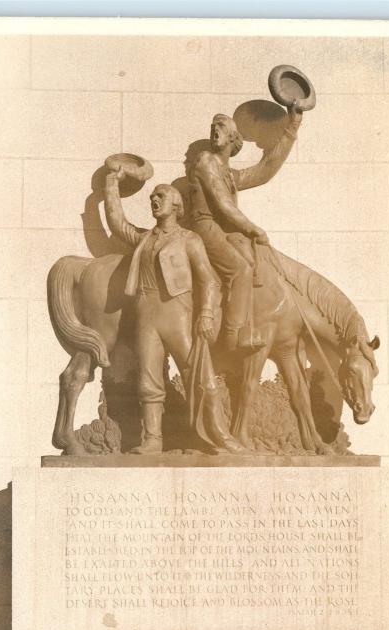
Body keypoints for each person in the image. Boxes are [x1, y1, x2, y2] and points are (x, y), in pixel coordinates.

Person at [103, 170, 245, 455]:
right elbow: (118, 224)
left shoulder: (189, 239)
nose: (154, 199)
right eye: (152, 197)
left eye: (161, 196)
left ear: (177, 206)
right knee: (148, 377)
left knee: (199, 372)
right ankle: (152, 439)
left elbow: (208, 279)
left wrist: (205, 313)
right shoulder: (144, 239)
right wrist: (111, 185)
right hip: (146, 312)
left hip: (177, 313)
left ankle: (219, 435)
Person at [188, 106, 302, 351]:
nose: (214, 130)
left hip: (219, 230)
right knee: (241, 270)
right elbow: (223, 204)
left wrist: (291, 128)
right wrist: (254, 229)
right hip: (205, 226)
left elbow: (264, 171)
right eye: (212, 127)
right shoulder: (206, 161)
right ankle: (233, 337)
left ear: (232, 138)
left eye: (220, 126)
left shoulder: (228, 173)